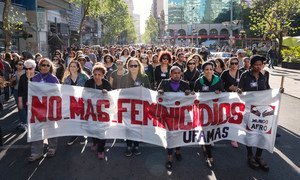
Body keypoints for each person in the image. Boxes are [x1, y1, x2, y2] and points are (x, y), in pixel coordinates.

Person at [237, 55, 271, 171]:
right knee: (250, 132)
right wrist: (240, 91)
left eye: (260, 65)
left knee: (263, 132)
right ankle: (250, 155)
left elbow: (268, 89)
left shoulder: (265, 75)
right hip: (249, 109)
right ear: (251, 65)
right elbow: (239, 89)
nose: (258, 67)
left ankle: (259, 156)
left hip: (263, 109)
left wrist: (278, 92)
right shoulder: (245, 75)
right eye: (256, 65)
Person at [157, 66, 190, 171]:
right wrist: (160, 91)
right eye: (174, 73)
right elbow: (158, 92)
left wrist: (189, 93)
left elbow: (190, 97)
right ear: (170, 74)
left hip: (180, 114)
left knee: (179, 133)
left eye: (178, 73)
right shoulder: (164, 82)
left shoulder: (185, 84)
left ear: (181, 74)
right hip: (168, 115)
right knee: (170, 135)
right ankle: (170, 158)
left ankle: (178, 151)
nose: (176, 75)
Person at [28, 58, 60, 162]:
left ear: (50, 67)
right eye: (43, 65)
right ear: (40, 66)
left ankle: (52, 148)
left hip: (50, 108)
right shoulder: (34, 78)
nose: (45, 67)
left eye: (48, 65)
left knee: (51, 128)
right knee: (37, 129)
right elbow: (31, 93)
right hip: (37, 108)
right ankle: (37, 152)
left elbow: (58, 94)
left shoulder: (54, 79)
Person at [193, 61, 224, 169]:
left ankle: (207, 145)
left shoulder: (218, 80)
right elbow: (194, 95)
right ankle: (209, 156)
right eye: (206, 69)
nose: (209, 71)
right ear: (203, 71)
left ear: (213, 69)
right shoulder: (199, 81)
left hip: (215, 111)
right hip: (203, 111)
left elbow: (224, 93)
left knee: (211, 132)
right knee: (206, 132)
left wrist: (220, 92)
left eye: (211, 69)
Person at [120, 58, 151, 157]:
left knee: (138, 126)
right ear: (128, 67)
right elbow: (120, 91)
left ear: (139, 66)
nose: (133, 68)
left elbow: (149, 90)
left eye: (135, 65)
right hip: (127, 106)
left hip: (140, 106)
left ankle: (136, 146)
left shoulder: (144, 77)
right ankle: (129, 146)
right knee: (128, 126)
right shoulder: (124, 77)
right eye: (131, 66)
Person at [84, 64, 112, 159]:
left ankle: (100, 150)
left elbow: (111, 98)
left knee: (102, 130)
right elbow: (84, 94)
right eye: (95, 74)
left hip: (103, 111)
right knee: (93, 128)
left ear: (103, 75)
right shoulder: (88, 82)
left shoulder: (106, 84)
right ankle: (95, 142)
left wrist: (106, 94)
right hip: (92, 110)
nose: (97, 76)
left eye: (99, 74)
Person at [62, 60, 89, 145]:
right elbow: (63, 90)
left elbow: (90, 87)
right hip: (71, 102)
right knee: (73, 119)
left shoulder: (84, 77)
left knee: (82, 118)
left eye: (74, 66)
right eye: (71, 66)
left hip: (83, 101)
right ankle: (74, 135)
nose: (72, 68)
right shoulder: (67, 78)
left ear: (78, 68)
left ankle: (83, 135)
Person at [220, 57, 243, 148]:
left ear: (238, 64)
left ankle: (234, 137)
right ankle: (224, 131)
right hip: (227, 98)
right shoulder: (225, 73)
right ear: (229, 64)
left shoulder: (241, 73)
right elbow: (220, 85)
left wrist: (239, 89)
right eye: (232, 63)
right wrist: (228, 88)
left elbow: (245, 86)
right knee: (226, 116)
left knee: (236, 116)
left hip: (238, 99)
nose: (234, 65)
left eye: (236, 63)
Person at [9, 59, 25, 130]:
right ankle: (22, 122)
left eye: (22, 64)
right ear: (16, 65)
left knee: (24, 107)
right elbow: (10, 83)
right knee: (19, 107)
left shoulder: (26, 72)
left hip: (24, 92)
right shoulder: (14, 73)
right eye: (19, 64)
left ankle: (25, 123)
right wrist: (12, 80)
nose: (21, 65)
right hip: (16, 91)